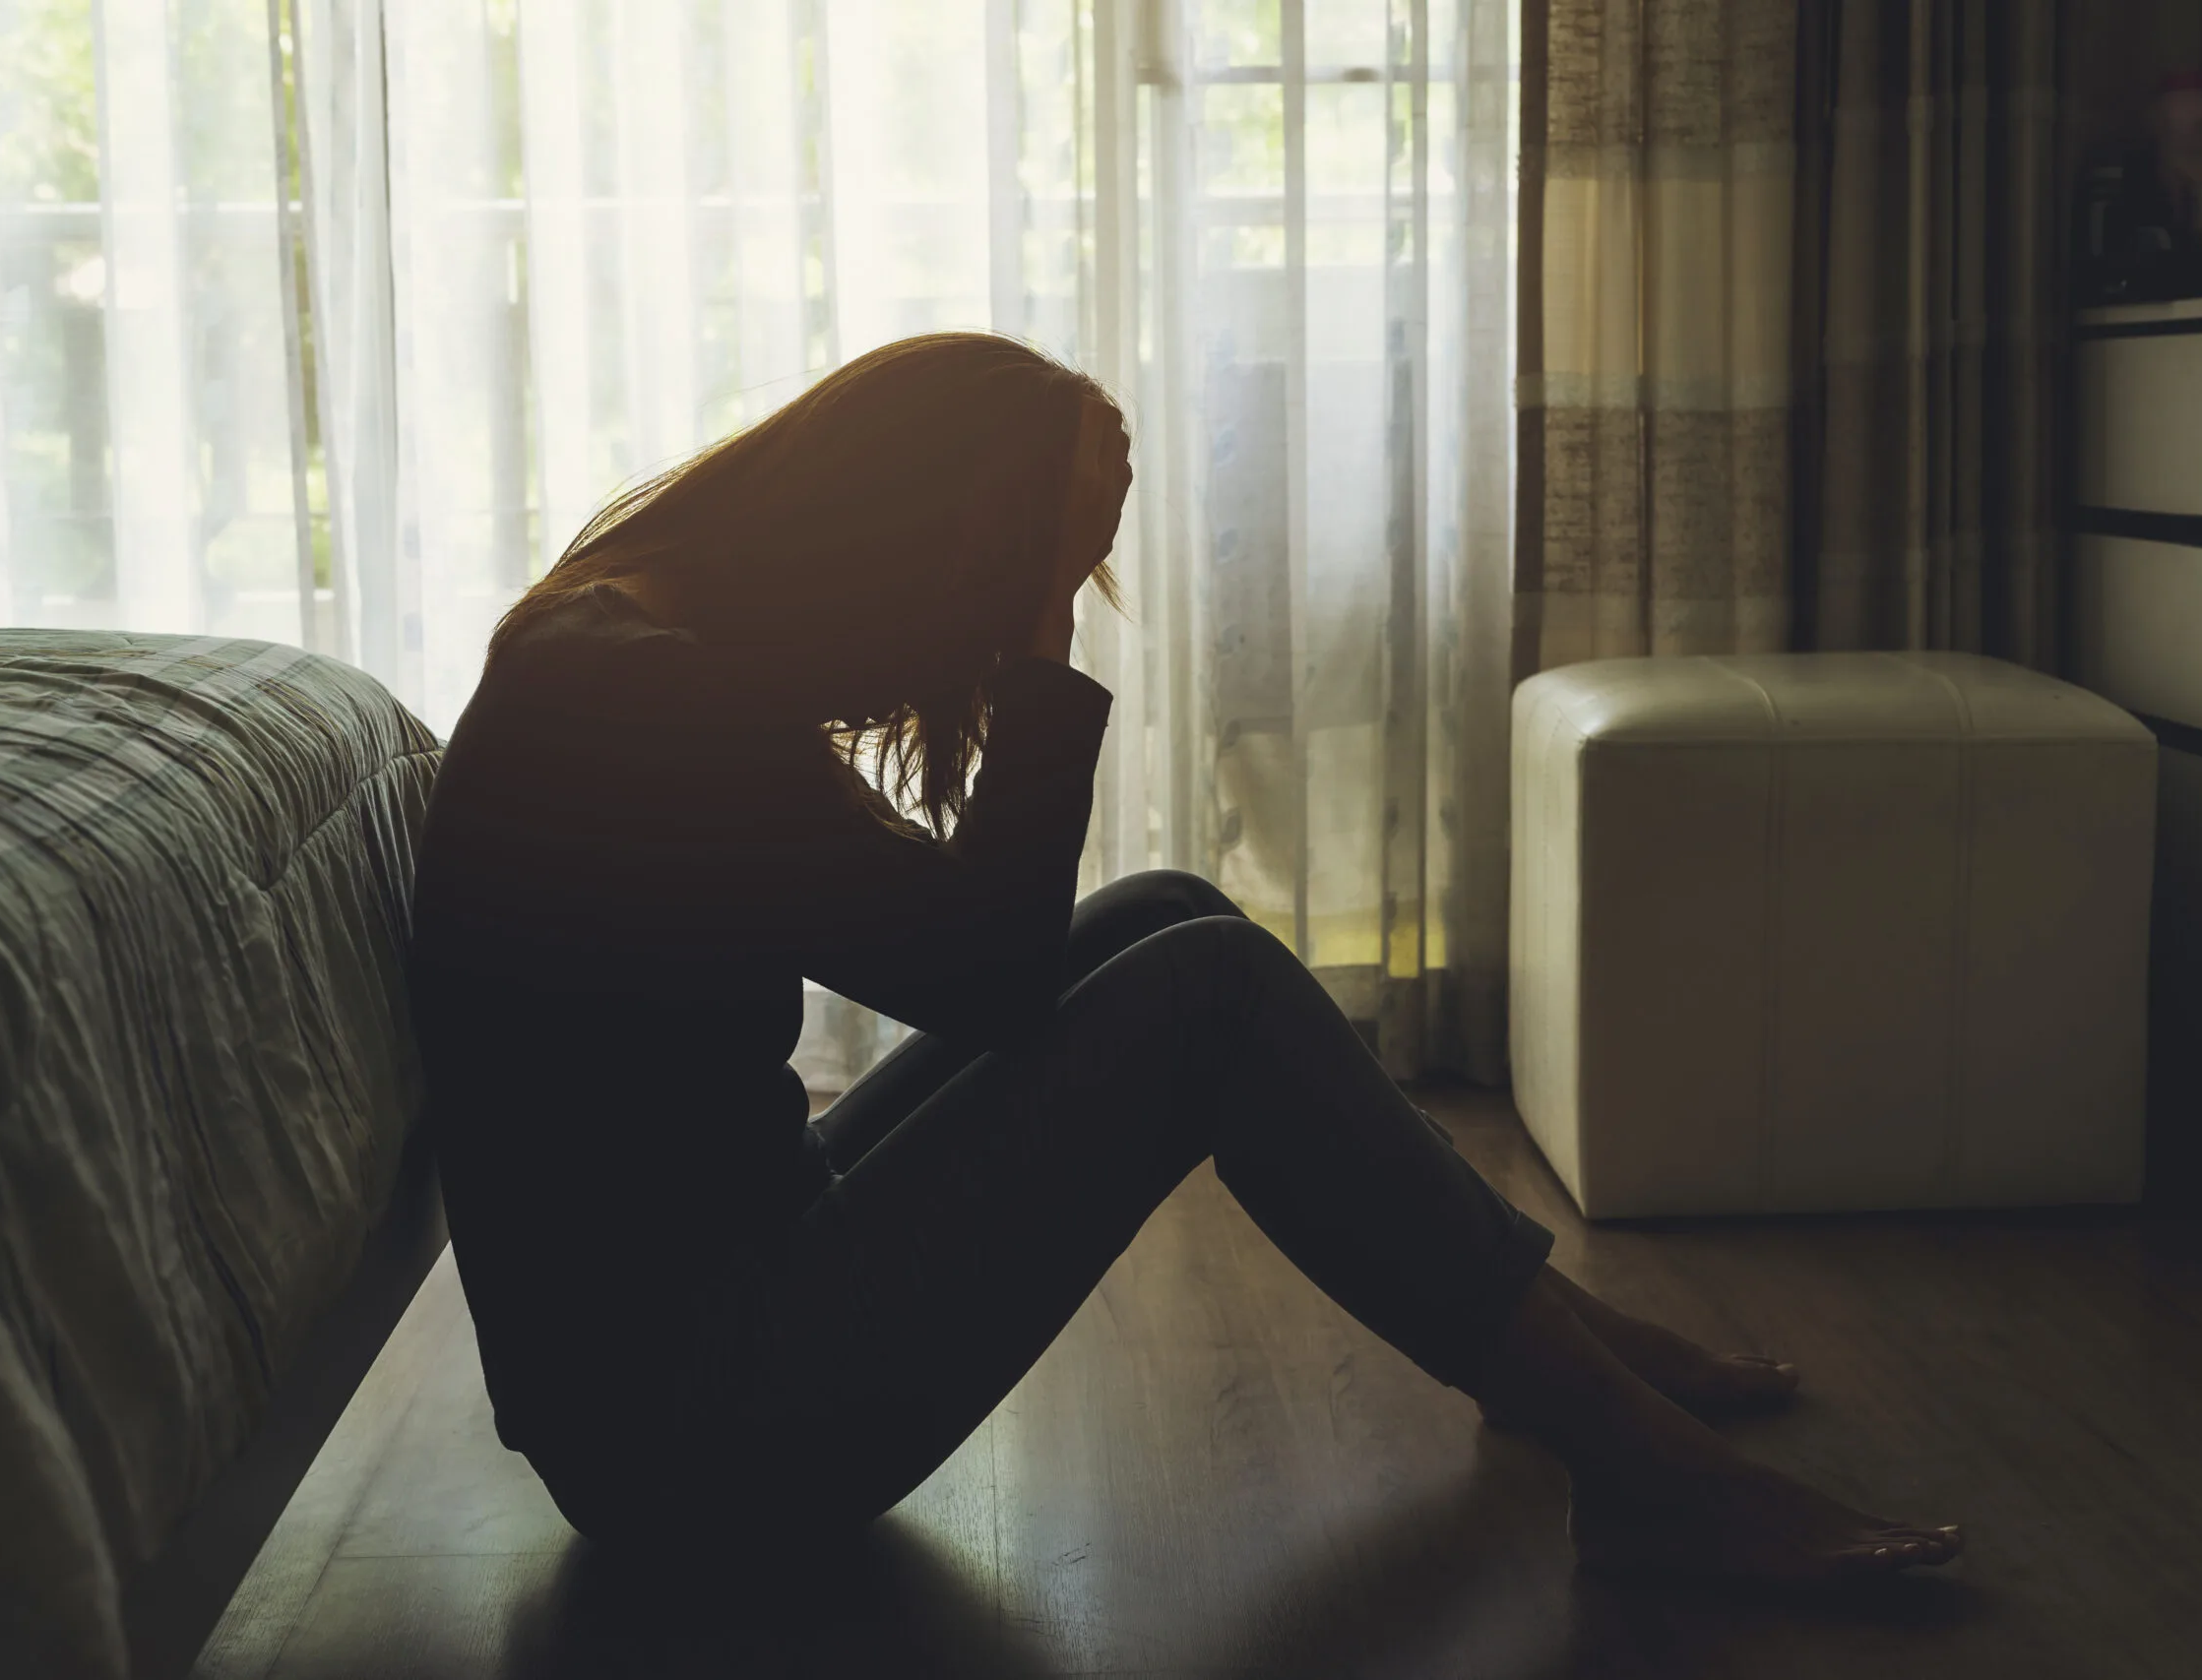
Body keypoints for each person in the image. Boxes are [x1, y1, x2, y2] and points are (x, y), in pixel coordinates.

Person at [408, 331, 1961, 1584]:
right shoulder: (643, 698)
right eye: (1022, 581)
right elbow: (990, 968)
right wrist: (1035, 645)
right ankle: (1643, 1469)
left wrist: (1032, 571)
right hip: (708, 1434)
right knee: (1201, 998)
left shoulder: (620, 646)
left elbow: (959, 953)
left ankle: (1538, 1344)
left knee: (1164, 913)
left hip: (685, 1352)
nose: (1020, 626)